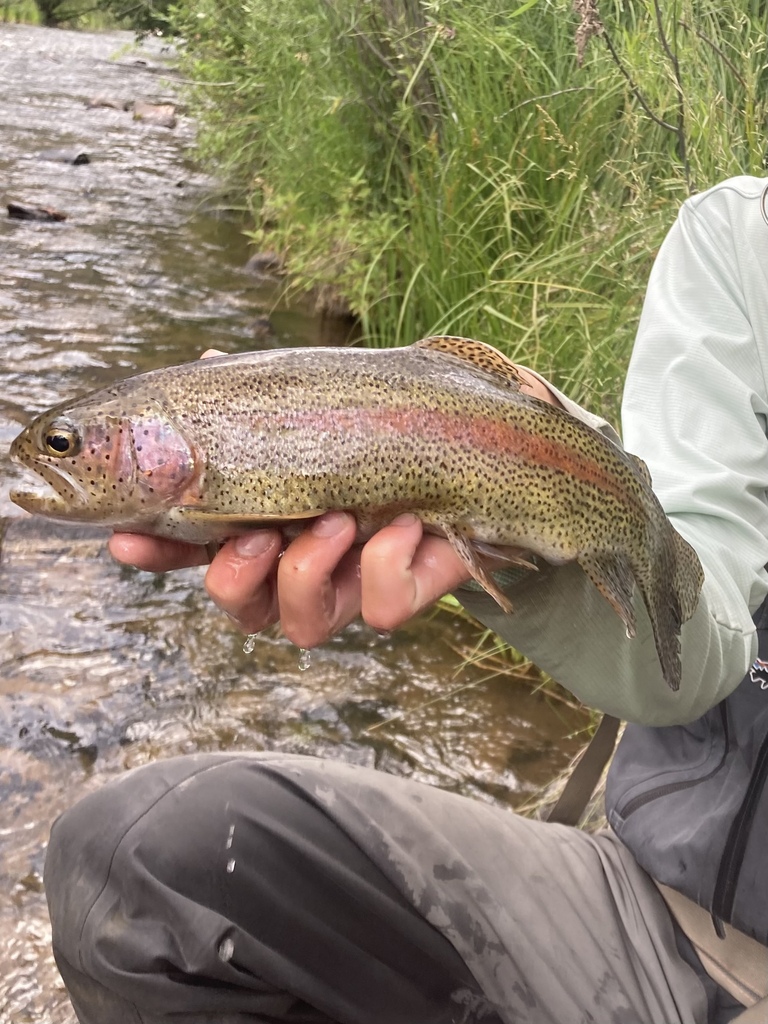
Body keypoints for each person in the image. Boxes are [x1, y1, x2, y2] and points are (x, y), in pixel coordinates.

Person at [43, 175, 768, 1024]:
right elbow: (700, 612)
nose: (56, 460)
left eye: (64, 446)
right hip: (661, 912)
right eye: (66, 445)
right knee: (134, 867)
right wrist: (524, 501)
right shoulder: (739, 235)